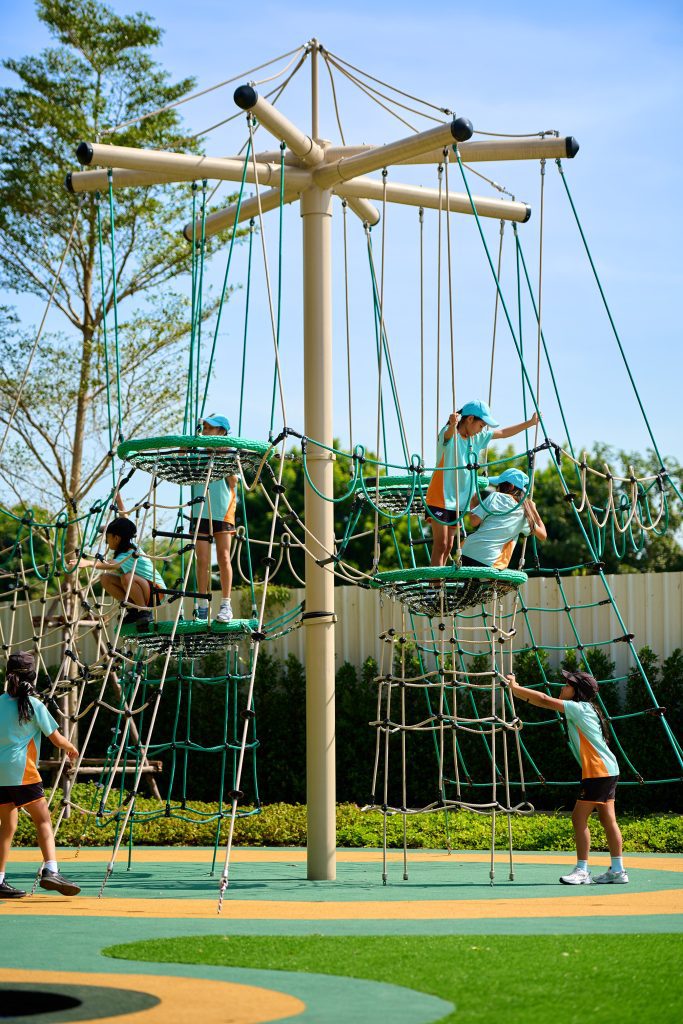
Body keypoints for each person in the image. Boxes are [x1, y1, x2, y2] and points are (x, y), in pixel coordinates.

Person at [504, 668, 627, 885]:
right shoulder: (586, 708)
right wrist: (516, 691)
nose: (563, 688)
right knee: (608, 820)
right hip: (608, 769)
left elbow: (544, 699)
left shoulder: (578, 709)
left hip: (598, 771)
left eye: (568, 685)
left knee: (579, 818)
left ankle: (582, 871)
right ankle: (617, 870)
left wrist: (514, 687)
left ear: (577, 691)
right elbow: (546, 702)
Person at [0, 651, 80, 898]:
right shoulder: (34, 705)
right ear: (32, 677)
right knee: (43, 820)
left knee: (7, 827)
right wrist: (70, 748)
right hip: (22, 772)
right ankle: (51, 870)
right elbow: (55, 738)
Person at [425, 400, 540, 566]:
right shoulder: (450, 435)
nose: (483, 429)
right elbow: (448, 434)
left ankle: (438, 585)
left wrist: (529, 424)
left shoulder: (476, 439)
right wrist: (452, 424)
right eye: (481, 425)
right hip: (440, 498)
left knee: (449, 546)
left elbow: (503, 432)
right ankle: (433, 588)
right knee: (441, 544)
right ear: (470, 419)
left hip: (457, 503)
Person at [70, 510, 166, 629]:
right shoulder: (128, 544)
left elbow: (112, 565)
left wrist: (88, 563)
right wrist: (118, 498)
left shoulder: (131, 553)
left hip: (157, 592)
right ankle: (134, 610)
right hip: (144, 590)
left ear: (116, 538)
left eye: (108, 537)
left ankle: (144, 613)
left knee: (127, 577)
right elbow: (125, 520)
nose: (106, 541)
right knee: (105, 578)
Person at [190, 415, 238, 623]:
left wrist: (222, 454)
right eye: (205, 428)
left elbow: (234, 482)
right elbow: (184, 466)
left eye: (211, 428)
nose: (206, 431)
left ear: (221, 432)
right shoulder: (198, 455)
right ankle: (202, 605)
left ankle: (226, 604)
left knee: (223, 557)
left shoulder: (231, 454)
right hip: (200, 510)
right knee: (201, 560)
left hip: (222, 510)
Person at [460, 468, 546, 569]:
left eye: (499, 485)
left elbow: (474, 522)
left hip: (467, 552)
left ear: (511, 486)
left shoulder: (496, 496)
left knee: (468, 583)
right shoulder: (524, 514)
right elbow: (543, 536)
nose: (497, 488)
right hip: (490, 561)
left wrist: (473, 500)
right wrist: (534, 511)